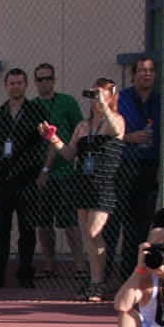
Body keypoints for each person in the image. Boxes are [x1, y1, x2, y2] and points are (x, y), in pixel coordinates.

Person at [40, 78, 126, 301]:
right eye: (93, 93)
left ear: (111, 96)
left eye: (100, 93)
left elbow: (116, 129)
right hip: (84, 183)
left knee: (94, 231)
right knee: (87, 236)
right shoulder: (82, 126)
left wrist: (104, 106)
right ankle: (94, 281)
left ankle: (98, 282)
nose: (95, 98)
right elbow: (69, 154)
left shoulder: (116, 119)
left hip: (103, 184)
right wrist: (53, 138)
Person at [0, 69, 48, 288]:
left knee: (27, 229)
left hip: (27, 178)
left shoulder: (36, 111)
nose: (15, 86)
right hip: (2, 178)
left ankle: (25, 274)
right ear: (6, 86)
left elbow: (49, 141)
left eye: (19, 82)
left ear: (26, 85)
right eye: (11, 83)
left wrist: (44, 171)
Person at [105, 57, 161, 281]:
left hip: (149, 166)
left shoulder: (161, 100)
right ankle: (103, 276)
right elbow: (107, 131)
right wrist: (129, 137)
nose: (146, 74)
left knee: (139, 225)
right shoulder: (122, 99)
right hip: (123, 165)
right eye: (142, 70)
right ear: (133, 75)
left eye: (150, 70)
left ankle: (130, 276)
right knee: (114, 222)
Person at [32, 63, 84, 279]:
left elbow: (79, 130)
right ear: (35, 82)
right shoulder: (32, 106)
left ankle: (80, 266)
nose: (45, 82)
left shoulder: (67, 102)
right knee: (43, 223)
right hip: (39, 175)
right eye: (40, 79)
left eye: (48, 78)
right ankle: (49, 265)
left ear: (54, 80)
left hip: (65, 172)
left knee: (69, 222)